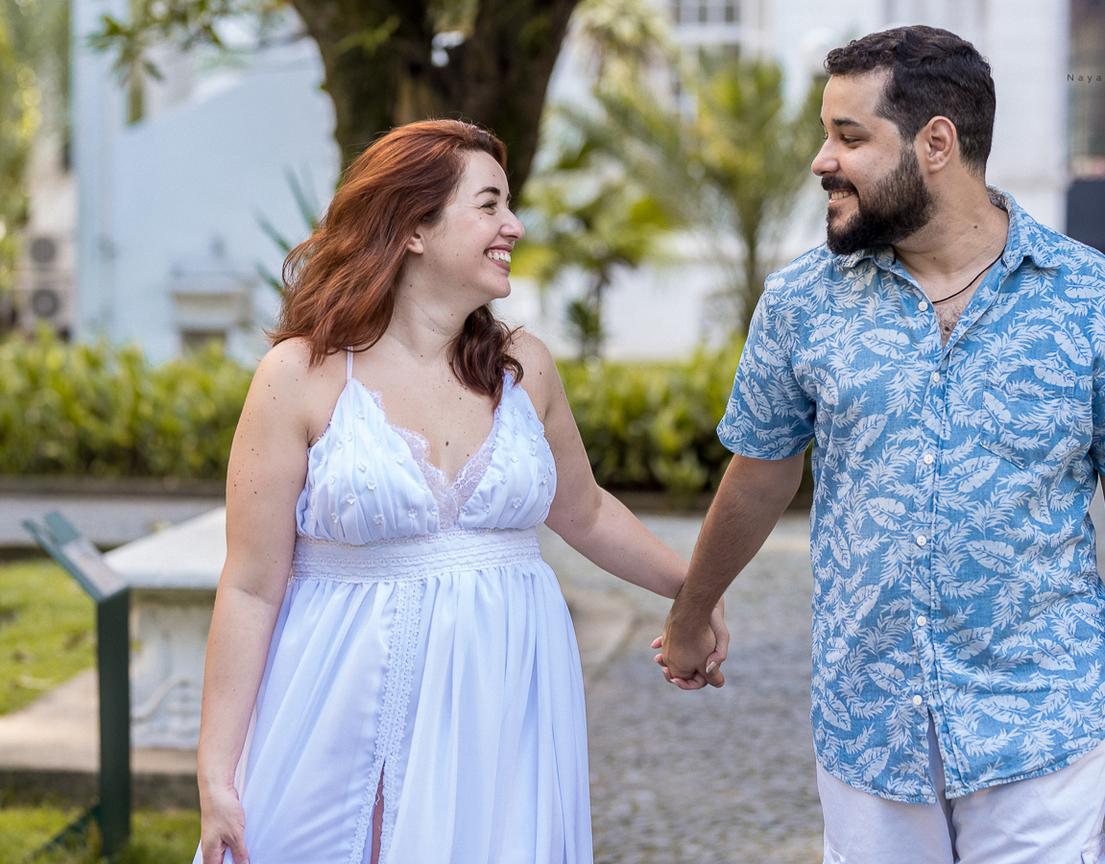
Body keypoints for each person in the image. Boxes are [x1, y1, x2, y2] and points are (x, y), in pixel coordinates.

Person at [658, 25, 1105, 864]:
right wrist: (691, 612)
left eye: (848, 136)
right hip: (869, 733)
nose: (820, 160)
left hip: (1041, 732)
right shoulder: (802, 303)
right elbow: (758, 477)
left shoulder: (1098, 303)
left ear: (935, 143)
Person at [194, 119, 727, 864]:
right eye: (489, 205)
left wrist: (695, 591)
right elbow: (251, 587)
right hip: (342, 703)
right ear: (414, 227)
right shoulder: (299, 377)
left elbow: (586, 510)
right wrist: (217, 773)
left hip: (500, 702)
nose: (513, 225)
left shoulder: (524, 367)